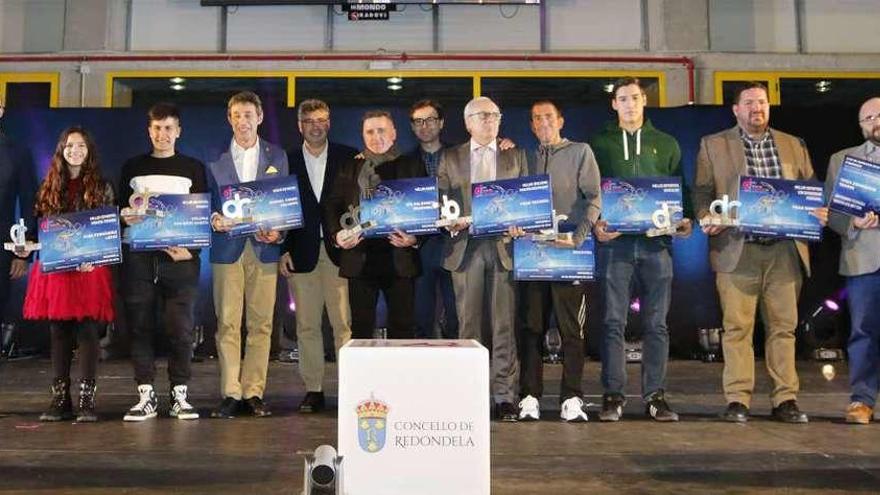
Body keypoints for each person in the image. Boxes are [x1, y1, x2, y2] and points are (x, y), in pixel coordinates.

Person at [694, 81, 827, 424]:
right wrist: (707, 216)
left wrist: (819, 209)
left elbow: (811, 188)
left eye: (763, 102)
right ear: (735, 109)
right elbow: (702, 193)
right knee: (736, 328)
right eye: (750, 102)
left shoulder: (793, 144)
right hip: (738, 250)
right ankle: (738, 399)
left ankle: (786, 398)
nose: (757, 108)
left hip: (785, 251)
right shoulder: (713, 145)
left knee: (783, 328)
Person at [590, 77, 691, 422]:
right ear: (613, 104)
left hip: (656, 247)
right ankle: (613, 394)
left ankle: (655, 395)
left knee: (657, 325)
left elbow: (682, 193)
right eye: (622, 98)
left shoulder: (666, 144)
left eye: (635, 97)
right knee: (612, 322)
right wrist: (596, 225)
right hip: (614, 249)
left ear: (644, 101)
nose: (629, 104)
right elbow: (591, 194)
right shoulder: (598, 143)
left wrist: (685, 219)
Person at [437, 96, 527, 422]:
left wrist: (523, 222)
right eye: (482, 116)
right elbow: (440, 200)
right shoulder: (450, 157)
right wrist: (449, 220)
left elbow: (527, 198)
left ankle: (504, 396)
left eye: (494, 115)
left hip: (503, 247)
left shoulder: (515, 155)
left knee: (504, 325)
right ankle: (470, 394)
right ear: (468, 122)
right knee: (468, 325)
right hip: (465, 246)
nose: (489, 121)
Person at [119, 102, 208, 422]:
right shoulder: (131, 167)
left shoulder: (193, 167)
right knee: (140, 327)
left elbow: (201, 217)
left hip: (181, 262)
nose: (162, 134)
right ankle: (145, 395)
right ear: (149, 130)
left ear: (179, 131)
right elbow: (120, 213)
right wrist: (126, 217)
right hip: (139, 259)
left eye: (169, 128)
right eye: (157, 128)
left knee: (181, 330)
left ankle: (179, 395)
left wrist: (193, 251)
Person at [516, 100, 601, 422]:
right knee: (531, 328)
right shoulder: (524, 156)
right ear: (531, 125)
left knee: (572, 331)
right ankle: (529, 396)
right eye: (536, 118)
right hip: (532, 254)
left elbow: (594, 198)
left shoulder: (581, 152)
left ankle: (572, 398)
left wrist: (578, 238)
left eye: (548, 117)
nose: (543, 123)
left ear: (561, 120)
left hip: (569, 254)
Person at [23, 127, 114, 423]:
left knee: (88, 332)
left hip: (89, 270)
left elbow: (107, 230)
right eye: (70, 145)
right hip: (56, 271)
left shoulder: (102, 186)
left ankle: (87, 401)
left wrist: (94, 257)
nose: (75, 150)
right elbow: (39, 229)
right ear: (61, 150)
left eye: (81, 146)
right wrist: (27, 247)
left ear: (89, 151)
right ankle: (60, 399)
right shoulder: (48, 186)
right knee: (59, 332)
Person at [207, 91, 288, 419]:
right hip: (227, 249)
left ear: (260, 118)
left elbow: (283, 203)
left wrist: (278, 231)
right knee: (227, 322)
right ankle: (230, 392)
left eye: (248, 115)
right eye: (237, 115)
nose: (243, 121)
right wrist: (214, 219)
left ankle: (254, 391)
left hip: (264, 248)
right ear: (229, 119)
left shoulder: (277, 155)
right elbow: (207, 203)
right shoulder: (213, 157)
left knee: (262, 324)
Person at [279, 99, 356, 413]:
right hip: (301, 253)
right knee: (307, 326)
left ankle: (350, 388)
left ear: (329, 122)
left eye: (321, 119)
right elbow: (280, 209)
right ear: (300, 125)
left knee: (344, 325)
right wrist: (281, 248)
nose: (315, 125)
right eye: (309, 120)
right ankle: (313, 389)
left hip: (341, 253)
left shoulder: (349, 157)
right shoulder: (287, 160)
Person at [323, 110, 423, 341]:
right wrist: (337, 235)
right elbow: (332, 205)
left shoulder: (412, 166)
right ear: (363, 135)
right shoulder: (350, 167)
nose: (376, 136)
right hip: (360, 260)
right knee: (360, 330)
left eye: (381, 130)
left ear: (394, 133)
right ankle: (363, 379)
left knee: (403, 329)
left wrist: (415, 239)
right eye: (370, 131)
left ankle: (400, 378)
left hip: (400, 259)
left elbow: (426, 209)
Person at [824, 96, 880, 424]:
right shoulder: (842, 160)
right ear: (860, 126)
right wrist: (853, 223)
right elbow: (832, 214)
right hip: (863, 259)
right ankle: (862, 400)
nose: (876, 121)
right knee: (863, 332)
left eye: (879, 115)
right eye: (868, 118)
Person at [407, 99, 459, 340]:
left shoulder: (461, 157)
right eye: (418, 121)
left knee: (457, 317)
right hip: (419, 248)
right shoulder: (403, 163)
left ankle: (457, 373)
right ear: (412, 126)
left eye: (430, 120)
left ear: (441, 123)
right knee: (420, 317)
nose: (424, 126)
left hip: (456, 245)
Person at [0, 95, 38, 313]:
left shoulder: (18, 153)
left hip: (2, 249)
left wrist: (22, 253)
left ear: (1, 110)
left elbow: (28, 201)